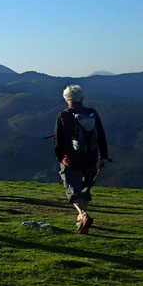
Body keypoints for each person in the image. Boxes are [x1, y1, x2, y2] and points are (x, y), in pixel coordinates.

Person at [54, 84, 110, 234]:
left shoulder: (63, 115)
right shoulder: (92, 113)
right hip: (91, 159)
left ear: (67, 99)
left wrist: (60, 158)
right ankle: (81, 222)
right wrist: (103, 156)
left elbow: (58, 142)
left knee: (73, 191)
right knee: (85, 190)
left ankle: (82, 214)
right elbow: (101, 135)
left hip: (71, 160)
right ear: (82, 98)